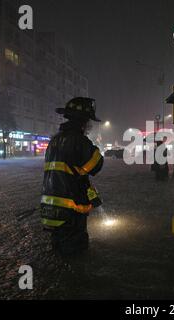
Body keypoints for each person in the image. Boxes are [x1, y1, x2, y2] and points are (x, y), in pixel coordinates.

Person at [40, 97, 104, 255]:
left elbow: (67, 169)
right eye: (88, 120)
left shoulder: (54, 140)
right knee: (75, 253)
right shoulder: (79, 140)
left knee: (58, 250)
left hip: (50, 206)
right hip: (71, 207)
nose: (89, 125)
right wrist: (92, 146)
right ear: (83, 121)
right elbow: (96, 164)